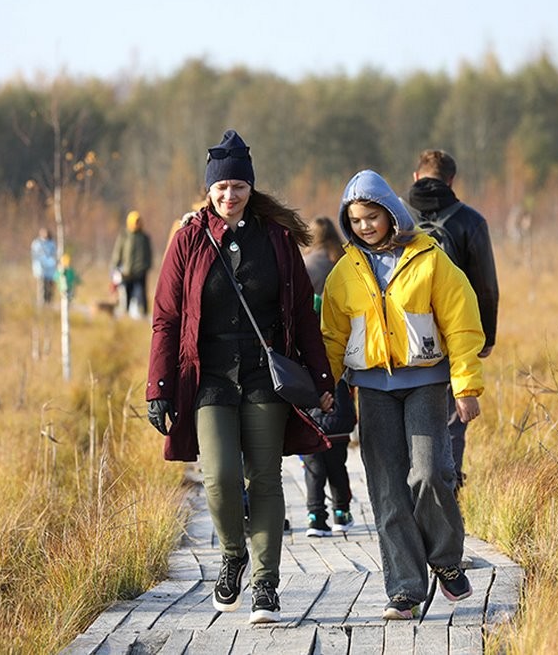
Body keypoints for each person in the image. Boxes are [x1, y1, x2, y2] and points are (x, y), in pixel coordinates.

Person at [146, 129, 335, 625]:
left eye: (239, 187)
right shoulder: (188, 240)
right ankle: (234, 554)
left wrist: (320, 377)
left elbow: (300, 310)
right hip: (208, 377)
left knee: (266, 479)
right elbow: (165, 317)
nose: (230, 196)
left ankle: (266, 586)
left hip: (262, 374)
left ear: (252, 189)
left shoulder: (275, 240)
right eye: (222, 187)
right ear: (209, 189)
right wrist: (159, 388)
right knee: (222, 478)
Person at [320, 169, 486, 621]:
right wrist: (324, 389)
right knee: (388, 490)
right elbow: (333, 338)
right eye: (354, 221)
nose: (364, 227)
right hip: (371, 390)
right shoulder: (343, 273)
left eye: (371, 217)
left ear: (391, 213)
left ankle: (447, 562)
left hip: (426, 383)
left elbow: (462, 323)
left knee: (430, 474)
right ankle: (405, 590)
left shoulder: (430, 260)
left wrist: (466, 386)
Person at [404, 150, 499, 492]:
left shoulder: (396, 216)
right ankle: (449, 486)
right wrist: (486, 337)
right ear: (451, 181)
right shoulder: (470, 220)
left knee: (407, 411)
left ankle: (413, 486)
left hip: (403, 335)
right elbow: (485, 285)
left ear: (416, 177)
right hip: (453, 333)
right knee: (452, 417)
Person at [300, 217, 356, 538]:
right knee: (338, 464)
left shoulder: (305, 265)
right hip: (340, 362)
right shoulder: (343, 263)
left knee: (313, 465)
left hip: (310, 380)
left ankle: (314, 515)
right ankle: (340, 510)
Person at [110, 210, 153, 319]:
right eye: (136, 221)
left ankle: (143, 316)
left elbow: (149, 254)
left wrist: (146, 267)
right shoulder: (124, 236)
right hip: (126, 273)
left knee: (141, 297)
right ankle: (126, 317)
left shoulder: (144, 238)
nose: (138, 223)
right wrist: (114, 268)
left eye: (139, 221)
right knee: (126, 297)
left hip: (140, 273)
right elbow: (117, 253)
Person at [30, 228, 57, 307]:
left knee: (50, 288)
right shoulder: (37, 243)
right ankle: (42, 304)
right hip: (41, 270)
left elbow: (55, 254)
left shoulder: (52, 243)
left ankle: (49, 303)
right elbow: (36, 255)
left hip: (51, 270)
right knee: (42, 288)